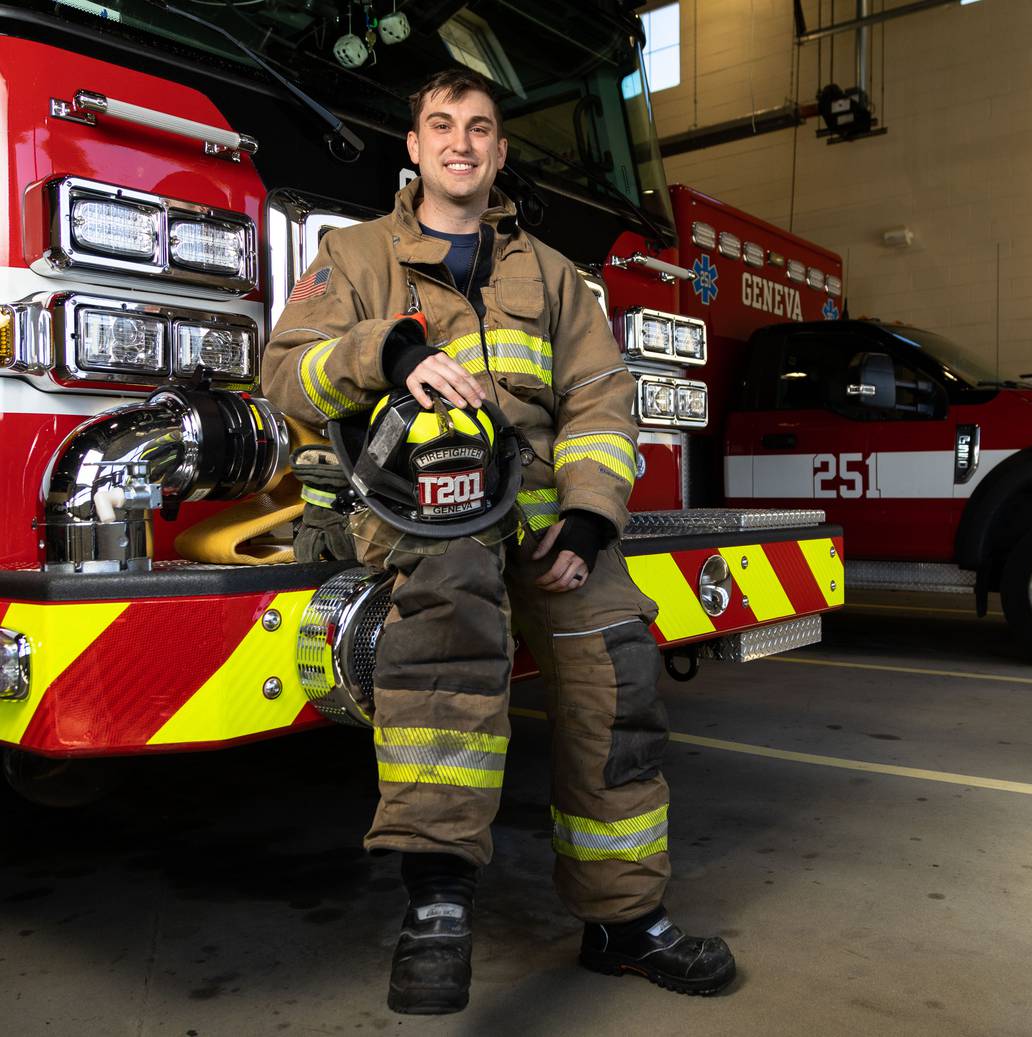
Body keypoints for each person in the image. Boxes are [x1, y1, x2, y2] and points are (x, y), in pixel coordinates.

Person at [261, 67, 735, 1015]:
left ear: (500, 151)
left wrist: (593, 513)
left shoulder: (555, 277)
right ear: (415, 145)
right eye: (442, 125)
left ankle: (624, 919)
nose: (462, 143)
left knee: (617, 663)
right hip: (417, 509)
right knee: (449, 631)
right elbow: (284, 375)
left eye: (480, 128)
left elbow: (602, 400)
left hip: (543, 518)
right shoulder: (355, 258)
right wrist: (386, 351)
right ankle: (437, 905)